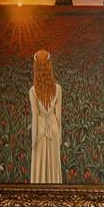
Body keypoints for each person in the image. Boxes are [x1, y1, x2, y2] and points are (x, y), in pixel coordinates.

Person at [29, 49, 62, 184]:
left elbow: (35, 117)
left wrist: (33, 139)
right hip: (53, 128)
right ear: (49, 66)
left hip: (41, 130)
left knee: (40, 164)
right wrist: (59, 135)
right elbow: (58, 115)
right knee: (54, 163)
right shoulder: (58, 88)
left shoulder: (33, 90)